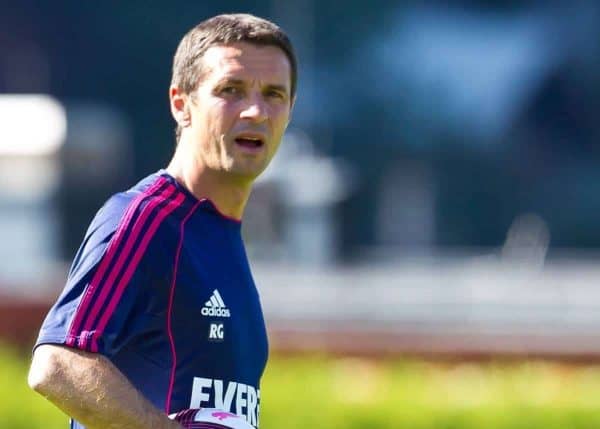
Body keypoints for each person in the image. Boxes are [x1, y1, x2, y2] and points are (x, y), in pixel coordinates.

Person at [27, 13, 297, 429]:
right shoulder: (146, 217)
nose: (256, 111)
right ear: (181, 104)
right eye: (232, 90)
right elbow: (57, 365)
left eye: (274, 94)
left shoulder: (221, 233)